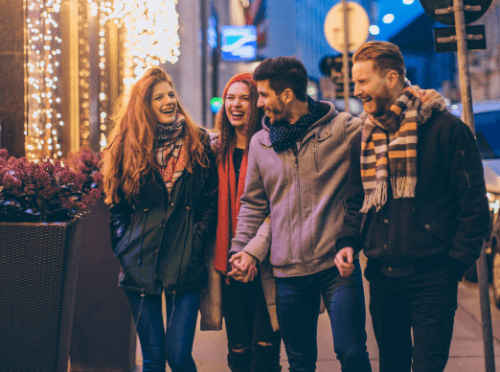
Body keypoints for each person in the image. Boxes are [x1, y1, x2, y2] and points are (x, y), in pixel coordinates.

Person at [335, 41, 490, 372]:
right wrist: (348, 242)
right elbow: (355, 202)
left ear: (391, 79)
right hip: (382, 278)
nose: (357, 91)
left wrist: (453, 267)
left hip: (433, 277)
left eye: (363, 82)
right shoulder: (363, 139)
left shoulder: (446, 130)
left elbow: (473, 208)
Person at [229, 57, 372, 372]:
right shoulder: (261, 143)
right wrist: (240, 250)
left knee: (351, 353)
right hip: (288, 273)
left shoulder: (344, 130)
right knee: (300, 363)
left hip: (336, 266)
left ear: (288, 95)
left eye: (264, 94)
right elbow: (253, 204)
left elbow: (384, 127)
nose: (259, 102)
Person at [101, 67, 218, 372]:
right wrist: (125, 248)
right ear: (144, 106)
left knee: (178, 356)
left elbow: (209, 201)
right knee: (152, 358)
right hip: (140, 261)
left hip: (185, 262)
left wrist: (196, 239)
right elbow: (117, 207)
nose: (169, 101)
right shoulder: (128, 148)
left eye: (170, 94)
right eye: (158, 97)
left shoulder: (198, 141)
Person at [210, 72, 282, 372]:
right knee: (238, 353)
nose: (235, 104)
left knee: (265, 355)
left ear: (257, 104)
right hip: (230, 264)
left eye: (245, 98)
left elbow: (277, 206)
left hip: (268, 263)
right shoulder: (214, 150)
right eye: (230, 97)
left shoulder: (274, 146)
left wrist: (252, 251)